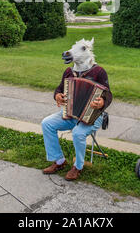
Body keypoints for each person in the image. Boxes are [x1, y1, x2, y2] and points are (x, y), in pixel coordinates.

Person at [41, 41, 112, 181]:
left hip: (93, 116)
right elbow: (60, 89)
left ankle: (78, 166)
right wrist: (57, 96)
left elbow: (108, 94)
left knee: (78, 132)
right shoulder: (69, 71)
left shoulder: (99, 72)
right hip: (70, 114)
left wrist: (102, 102)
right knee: (46, 123)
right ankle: (59, 161)